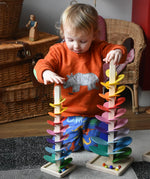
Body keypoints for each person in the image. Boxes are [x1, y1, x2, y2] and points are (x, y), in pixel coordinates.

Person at [34, 3, 127, 151]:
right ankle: (76, 135)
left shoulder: (98, 47)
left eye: (83, 41)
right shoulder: (58, 51)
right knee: (69, 147)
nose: (76, 46)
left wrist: (118, 52)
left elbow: (118, 49)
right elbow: (40, 65)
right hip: (68, 114)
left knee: (98, 145)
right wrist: (46, 72)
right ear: (63, 32)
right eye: (71, 40)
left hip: (94, 113)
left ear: (93, 35)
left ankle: (89, 133)